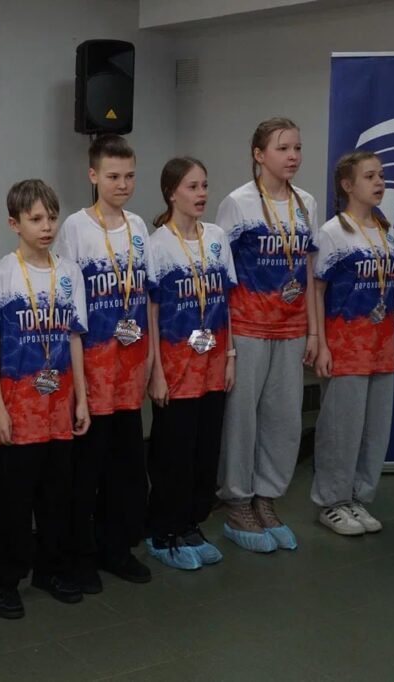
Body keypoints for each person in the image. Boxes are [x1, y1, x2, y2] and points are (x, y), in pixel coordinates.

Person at [0, 179, 91, 618]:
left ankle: (51, 569)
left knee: (56, 495)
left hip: (59, 407)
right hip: (17, 407)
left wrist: (81, 399)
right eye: (36, 219)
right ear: (14, 224)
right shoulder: (0, 275)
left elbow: (75, 336)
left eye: (52, 218)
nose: (46, 227)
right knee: (12, 500)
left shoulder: (69, 273)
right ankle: (4, 580)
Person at [215, 117, 319, 553]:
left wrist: (314, 331)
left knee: (284, 418)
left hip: (291, 327)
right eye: (282, 148)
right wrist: (227, 344)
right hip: (247, 326)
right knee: (242, 419)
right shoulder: (238, 204)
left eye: (297, 147)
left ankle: (266, 498)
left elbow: (309, 270)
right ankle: (237, 502)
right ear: (259, 155)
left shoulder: (306, 203)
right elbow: (220, 275)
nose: (293, 156)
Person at [55, 135, 154, 592]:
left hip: (129, 369)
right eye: (113, 176)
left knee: (126, 468)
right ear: (93, 175)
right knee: (86, 470)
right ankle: (81, 556)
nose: (123, 184)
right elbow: (67, 304)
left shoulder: (138, 226)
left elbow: (145, 294)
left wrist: (149, 360)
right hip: (91, 370)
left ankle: (118, 549)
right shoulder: (76, 228)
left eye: (130, 176)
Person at [145, 157, 237, 570]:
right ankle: (162, 531)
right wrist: (156, 372)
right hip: (176, 369)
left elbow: (225, 302)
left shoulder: (216, 237)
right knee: (174, 455)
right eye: (192, 187)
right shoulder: (157, 245)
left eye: (204, 185)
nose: (201, 194)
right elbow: (151, 313)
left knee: (205, 451)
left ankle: (190, 525)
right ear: (171, 193)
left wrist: (230, 356)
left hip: (213, 364)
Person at [312, 150, 394, 536]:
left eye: (381, 175)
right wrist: (320, 344)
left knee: (374, 429)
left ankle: (357, 497)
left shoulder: (385, 230)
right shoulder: (333, 232)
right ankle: (331, 502)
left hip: (382, 344)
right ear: (348, 185)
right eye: (369, 176)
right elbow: (317, 291)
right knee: (341, 428)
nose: (379, 182)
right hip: (345, 345)